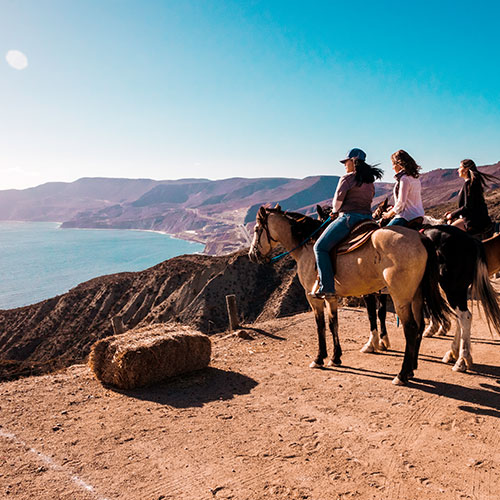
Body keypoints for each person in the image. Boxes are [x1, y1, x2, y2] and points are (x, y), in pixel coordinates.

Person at [311, 148, 383, 298]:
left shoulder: (347, 178)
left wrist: (335, 212)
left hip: (349, 218)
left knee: (320, 247)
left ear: (353, 161)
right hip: (369, 219)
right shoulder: (370, 182)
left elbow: (337, 202)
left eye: (346, 162)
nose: (344, 165)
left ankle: (327, 288)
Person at [445, 159, 497, 237]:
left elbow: (467, 207)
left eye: (460, 167)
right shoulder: (473, 183)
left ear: (465, 169)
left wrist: (452, 215)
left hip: (473, 222)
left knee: (449, 233)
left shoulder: (469, 184)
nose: (457, 170)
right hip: (478, 219)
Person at [381, 150, 425, 228]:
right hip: (419, 215)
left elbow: (401, 203)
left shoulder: (404, 179)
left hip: (406, 216)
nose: (392, 168)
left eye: (393, 164)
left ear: (399, 164)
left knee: (382, 233)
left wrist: (389, 214)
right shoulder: (415, 178)